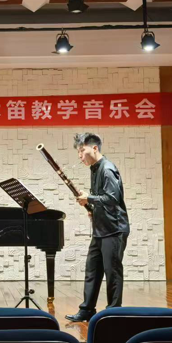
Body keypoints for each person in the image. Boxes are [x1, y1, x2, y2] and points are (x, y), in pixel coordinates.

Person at [65, 132, 130, 322]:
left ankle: (114, 312)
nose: (80, 156)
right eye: (78, 152)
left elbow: (112, 198)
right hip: (101, 228)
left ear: (94, 148)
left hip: (114, 229)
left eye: (82, 150)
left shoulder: (107, 169)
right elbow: (103, 199)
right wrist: (92, 208)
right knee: (92, 270)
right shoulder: (94, 168)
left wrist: (89, 199)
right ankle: (87, 310)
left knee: (112, 272)